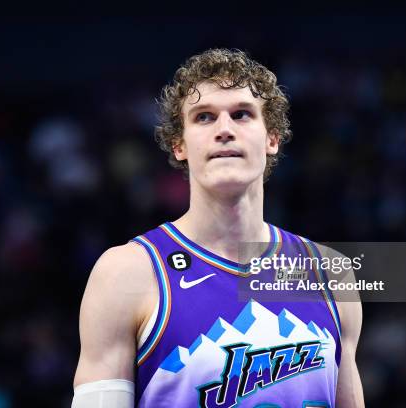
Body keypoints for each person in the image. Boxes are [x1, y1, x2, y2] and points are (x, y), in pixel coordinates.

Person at [71, 48, 365, 407]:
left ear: (272, 138)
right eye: (204, 117)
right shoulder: (127, 272)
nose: (224, 130)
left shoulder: (330, 274)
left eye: (241, 114)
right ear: (179, 144)